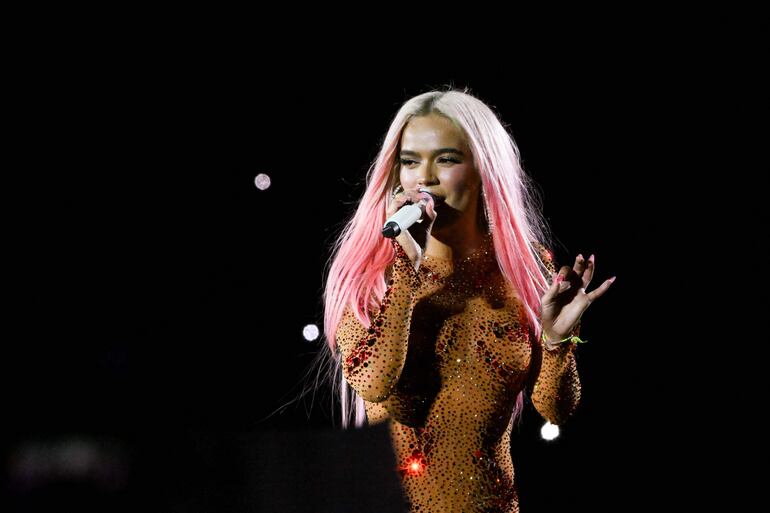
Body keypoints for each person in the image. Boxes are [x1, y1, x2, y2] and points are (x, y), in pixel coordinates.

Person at [320, 88, 615, 512]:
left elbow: (555, 409)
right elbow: (372, 381)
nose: (424, 178)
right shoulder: (370, 277)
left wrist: (557, 342)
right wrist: (408, 271)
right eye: (409, 161)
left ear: (483, 168)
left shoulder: (523, 268)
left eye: (446, 159)